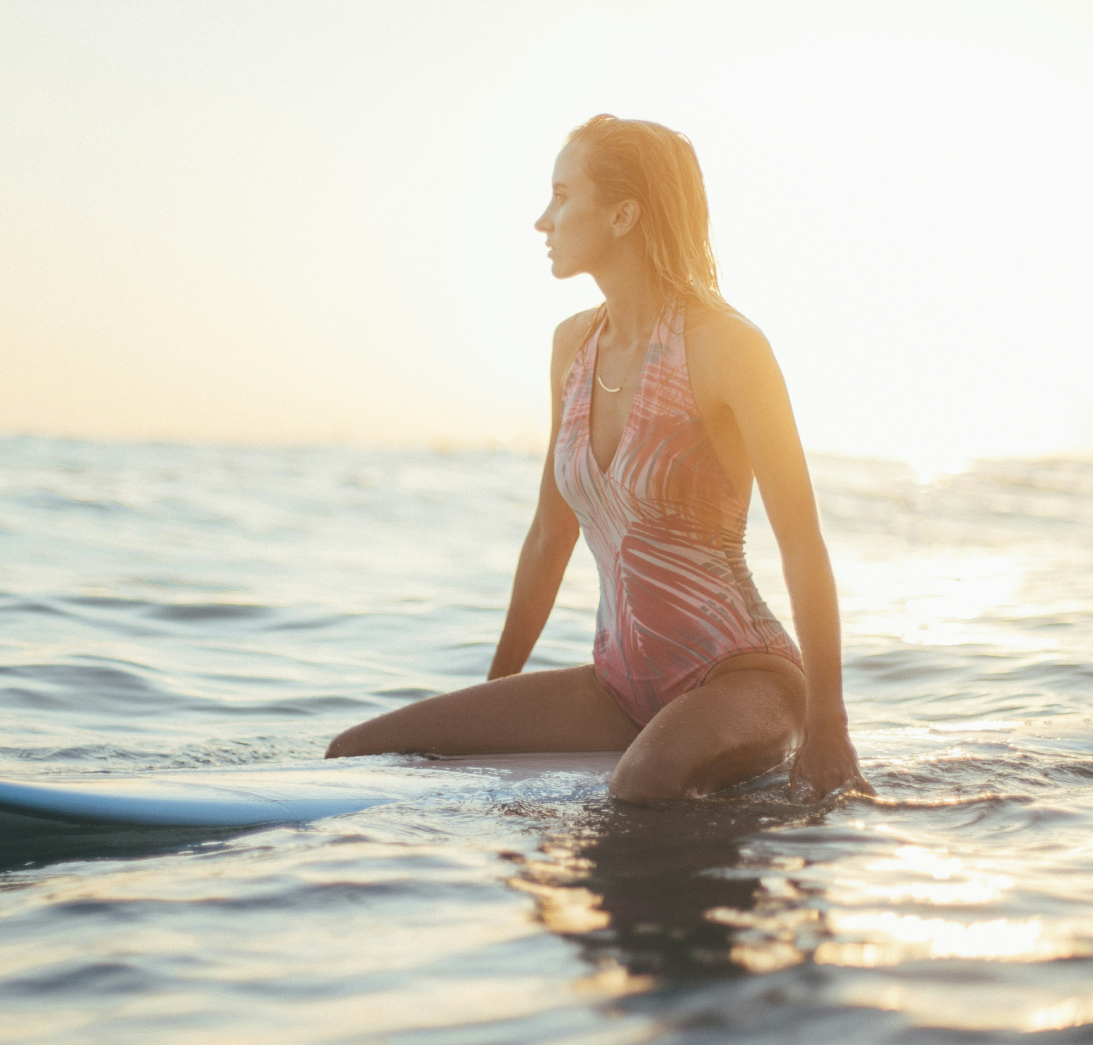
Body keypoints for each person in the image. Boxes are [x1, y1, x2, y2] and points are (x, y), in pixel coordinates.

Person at [327, 115, 864, 804]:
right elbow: (552, 535)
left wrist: (828, 724)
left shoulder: (727, 346)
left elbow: (802, 543)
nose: (541, 220)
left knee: (643, 785)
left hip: (742, 677)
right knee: (359, 751)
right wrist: (495, 703)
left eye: (561, 194)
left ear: (623, 213)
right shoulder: (572, 346)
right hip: (616, 686)